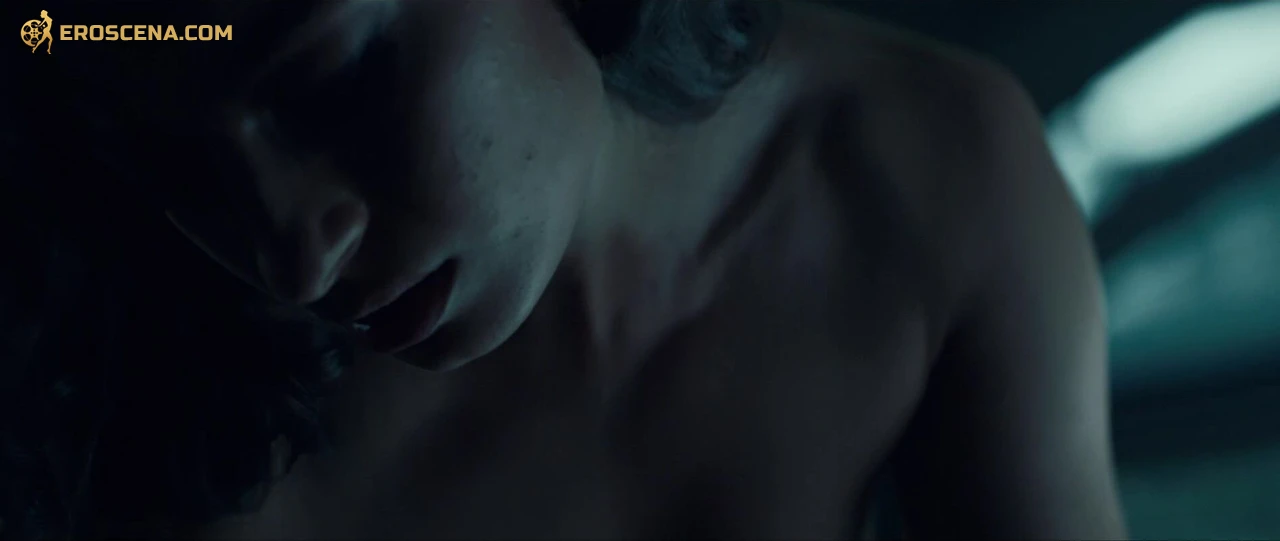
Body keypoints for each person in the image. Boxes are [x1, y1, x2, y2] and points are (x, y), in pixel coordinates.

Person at [1, 0, 1127, 538]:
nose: (290, 257)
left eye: (330, 81)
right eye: (188, 176)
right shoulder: (148, 391)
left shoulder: (930, 183)